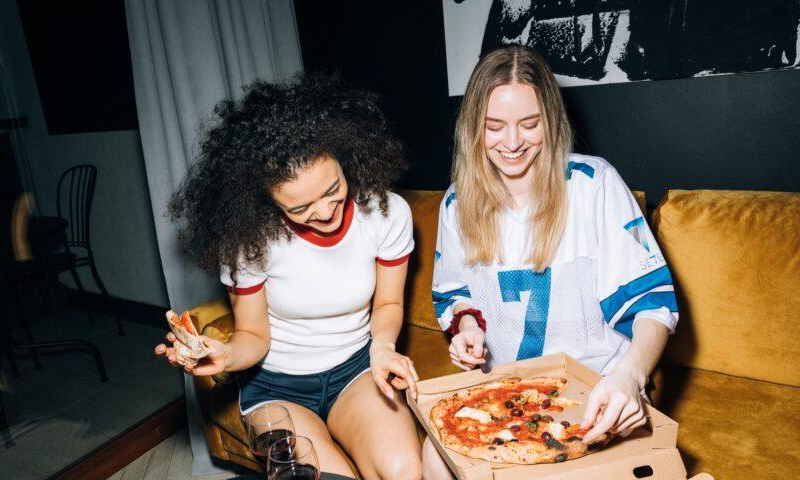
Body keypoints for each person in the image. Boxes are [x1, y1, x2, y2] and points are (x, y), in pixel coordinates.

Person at [423, 45, 678, 478]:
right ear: (473, 128)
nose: (512, 142)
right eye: (494, 127)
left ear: (551, 121)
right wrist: (468, 328)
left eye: (529, 124)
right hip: (505, 391)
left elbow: (653, 305)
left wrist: (630, 378)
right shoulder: (456, 203)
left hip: (600, 386)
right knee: (433, 455)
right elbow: (456, 293)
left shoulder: (594, 184)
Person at [154, 74, 422, 479]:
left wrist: (383, 345)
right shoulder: (250, 241)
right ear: (263, 196)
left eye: (333, 190)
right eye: (300, 208)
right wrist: (225, 354)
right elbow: (254, 337)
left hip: (357, 370)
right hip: (276, 387)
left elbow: (387, 303)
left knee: (404, 471)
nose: (326, 213)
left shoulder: (387, 213)